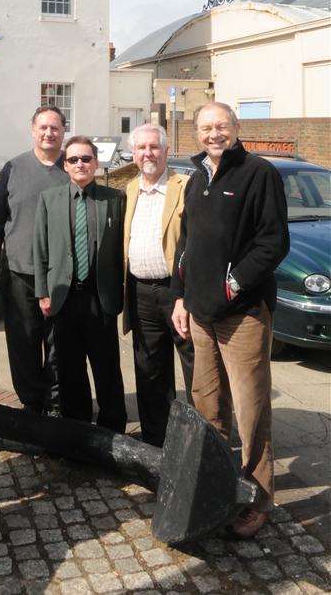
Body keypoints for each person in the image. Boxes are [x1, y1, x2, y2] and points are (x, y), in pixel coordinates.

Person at [171, 101, 289, 539]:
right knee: (207, 406)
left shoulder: (259, 173)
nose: (213, 134)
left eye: (221, 125)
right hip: (199, 315)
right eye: (205, 127)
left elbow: (274, 241)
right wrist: (179, 297)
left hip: (242, 316)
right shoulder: (196, 176)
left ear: (237, 128)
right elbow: (186, 244)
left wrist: (232, 284)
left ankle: (257, 499)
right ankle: (219, 485)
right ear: (196, 133)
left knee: (251, 412)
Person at [33, 137, 127, 430]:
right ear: (65, 165)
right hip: (64, 296)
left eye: (86, 158)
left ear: (96, 163)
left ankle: (113, 424)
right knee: (70, 367)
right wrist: (42, 292)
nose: (80, 164)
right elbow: (41, 249)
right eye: (73, 159)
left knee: (107, 365)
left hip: (102, 296)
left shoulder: (115, 199)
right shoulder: (50, 199)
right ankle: (78, 426)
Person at [0, 106, 68, 415]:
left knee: (59, 345)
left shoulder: (73, 167)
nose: (48, 133)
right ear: (33, 130)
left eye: (55, 128)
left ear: (63, 131)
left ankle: (56, 403)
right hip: (20, 272)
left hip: (61, 275)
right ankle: (32, 403)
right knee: (23, 343)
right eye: (43, 127)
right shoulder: (14, 168)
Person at [122, 124, 194, 447]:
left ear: (166, 151)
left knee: (194, 366)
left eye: (154, 147)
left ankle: (198, 442)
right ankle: (155, 441)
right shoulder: (130, 188)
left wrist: (185, 296)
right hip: (140, 292)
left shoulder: (185, 187)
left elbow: (194, 244)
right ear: (133, 154)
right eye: (141, 148)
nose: (147, 153)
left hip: (176, 293)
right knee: (149, 369)